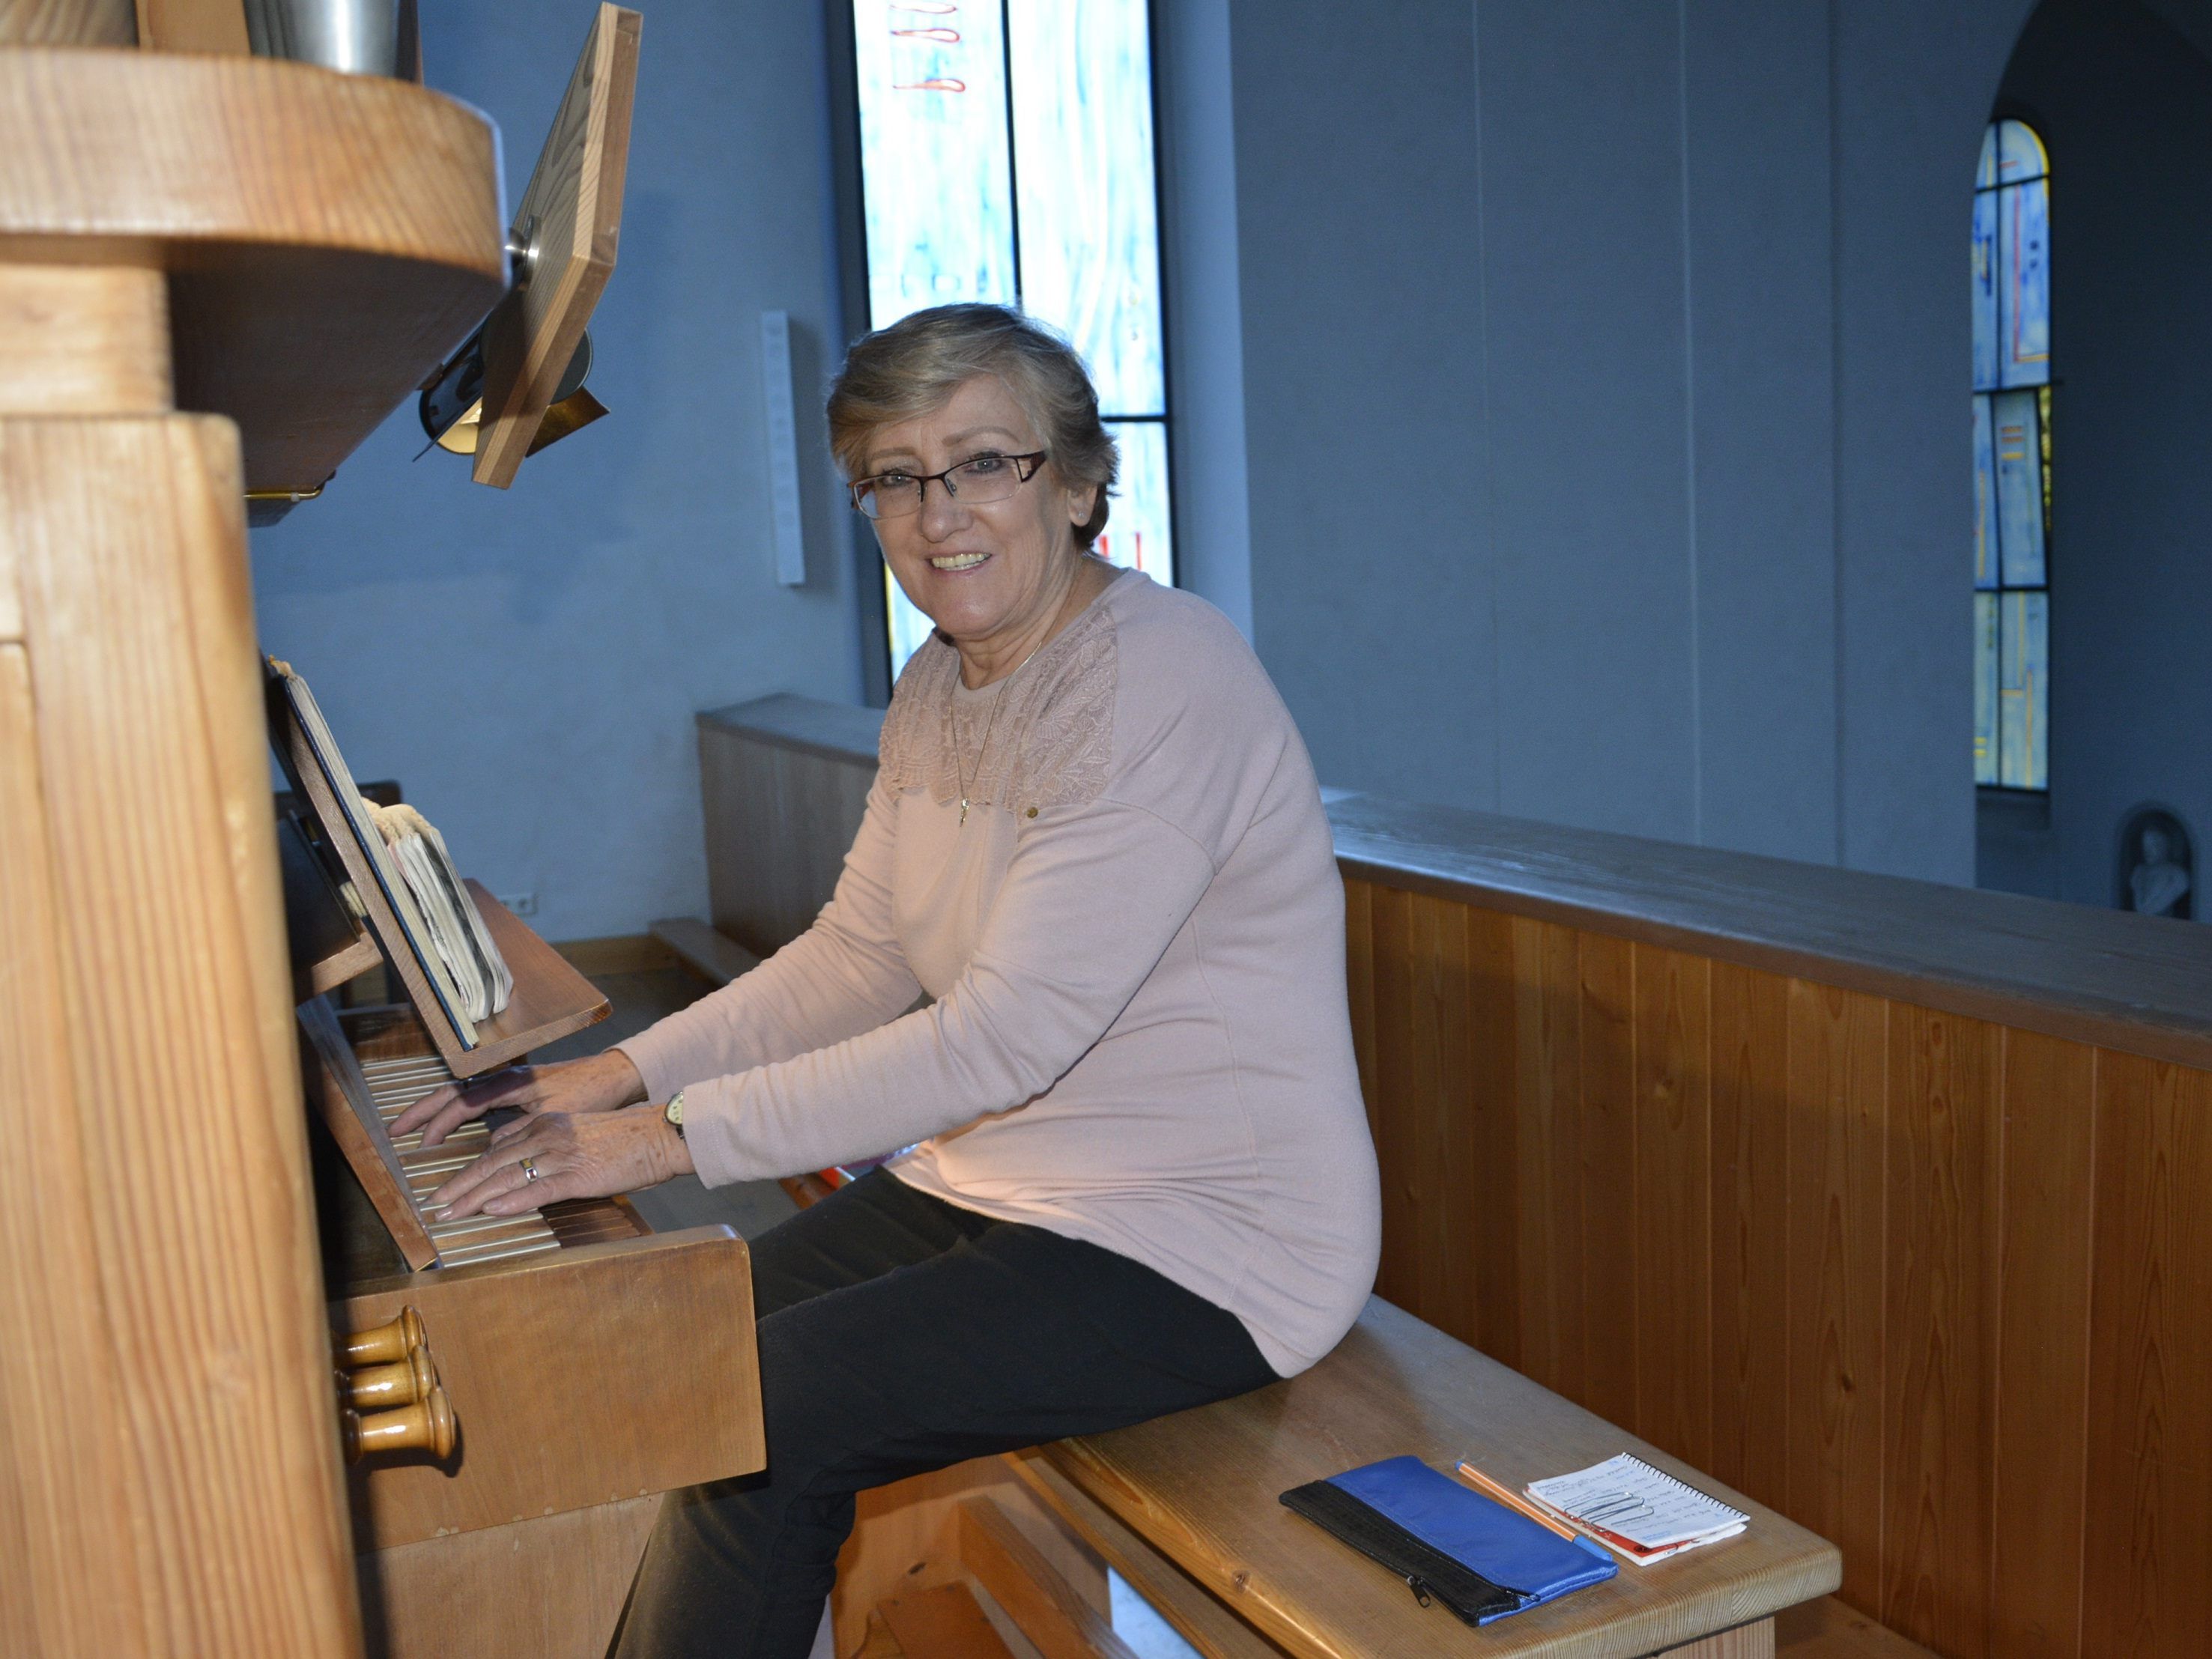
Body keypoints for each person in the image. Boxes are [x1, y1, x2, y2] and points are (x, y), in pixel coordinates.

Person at [392, 303, 1381, 1658]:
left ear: (1081, 484)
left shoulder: (1164, 680)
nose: (940, 513)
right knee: (679, 1353)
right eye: (897, 477)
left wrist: (654, 1140)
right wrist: (619, 1070)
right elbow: (855, 955)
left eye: (986, 462)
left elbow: (997, 1045)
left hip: (1204, 1240)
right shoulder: (944, 678)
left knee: (773, 1408)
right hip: (991, 1185)